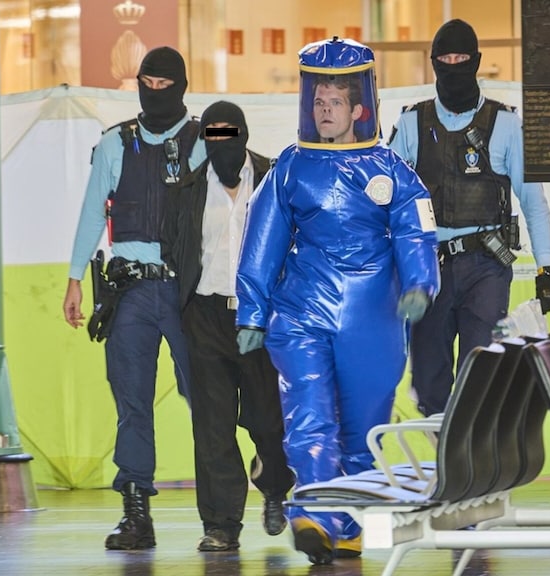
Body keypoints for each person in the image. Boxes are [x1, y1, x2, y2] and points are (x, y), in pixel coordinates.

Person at [235, 37, 440, 565]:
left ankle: (343, 527)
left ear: (357, 109)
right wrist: (254, 311)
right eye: (317, 102)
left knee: (361, 427)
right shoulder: (290, 168)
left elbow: (415, 233)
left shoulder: (392, 171)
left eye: (334, 104)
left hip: (372, 316)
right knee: (309, 413)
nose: (324, 112)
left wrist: (419, 284)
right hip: (302, 311)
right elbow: (262, 241)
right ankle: (314, 513)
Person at [61, 46, 206, 550]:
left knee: (207, 397)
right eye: (148, 82)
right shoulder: (114, 143)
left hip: (190, 290)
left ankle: (236, 495)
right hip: (129, 292)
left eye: (166, 84)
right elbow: (89, 213)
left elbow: (239, 189)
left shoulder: (208, 135)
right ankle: (136, 514)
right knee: (132, 403)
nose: (156, 92)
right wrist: (75, 277)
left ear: (183, 86)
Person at [387, 19, 550, 417]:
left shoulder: (506, 124)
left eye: (461, 58)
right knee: (429, 382)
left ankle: (478, 472)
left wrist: (546, 269)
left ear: (476, 61)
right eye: (445, 59)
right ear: (433, 63)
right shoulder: (413, 124)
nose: (453, 65)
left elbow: (533, 201)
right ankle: (446, 468)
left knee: (480, 374)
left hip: (486, 265)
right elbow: (389, 202)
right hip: (428, 267)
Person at [160, 100, 293, 552]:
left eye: (230, 132)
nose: (223, 143)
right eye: (213, 135)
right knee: (213, 427)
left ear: (245, 133)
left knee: (268, 422)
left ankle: (275, 488)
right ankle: (222, 525)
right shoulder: (190, 188)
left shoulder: (275, 178)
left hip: (261, 315)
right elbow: (173, 244)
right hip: (206, 315)